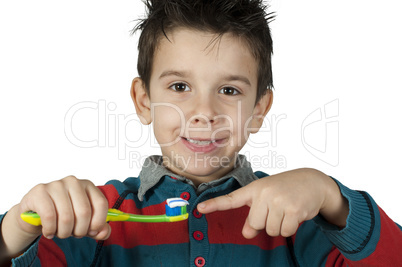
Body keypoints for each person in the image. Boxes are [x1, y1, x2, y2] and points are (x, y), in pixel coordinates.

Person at [1, 0, 401, 266]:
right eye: (179, 87)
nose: (204, 113)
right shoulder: (95, 217)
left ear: (259, 110)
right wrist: (19, 227)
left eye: (229, 91)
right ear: (143, 101)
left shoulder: (295, 219)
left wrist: (330, 195)